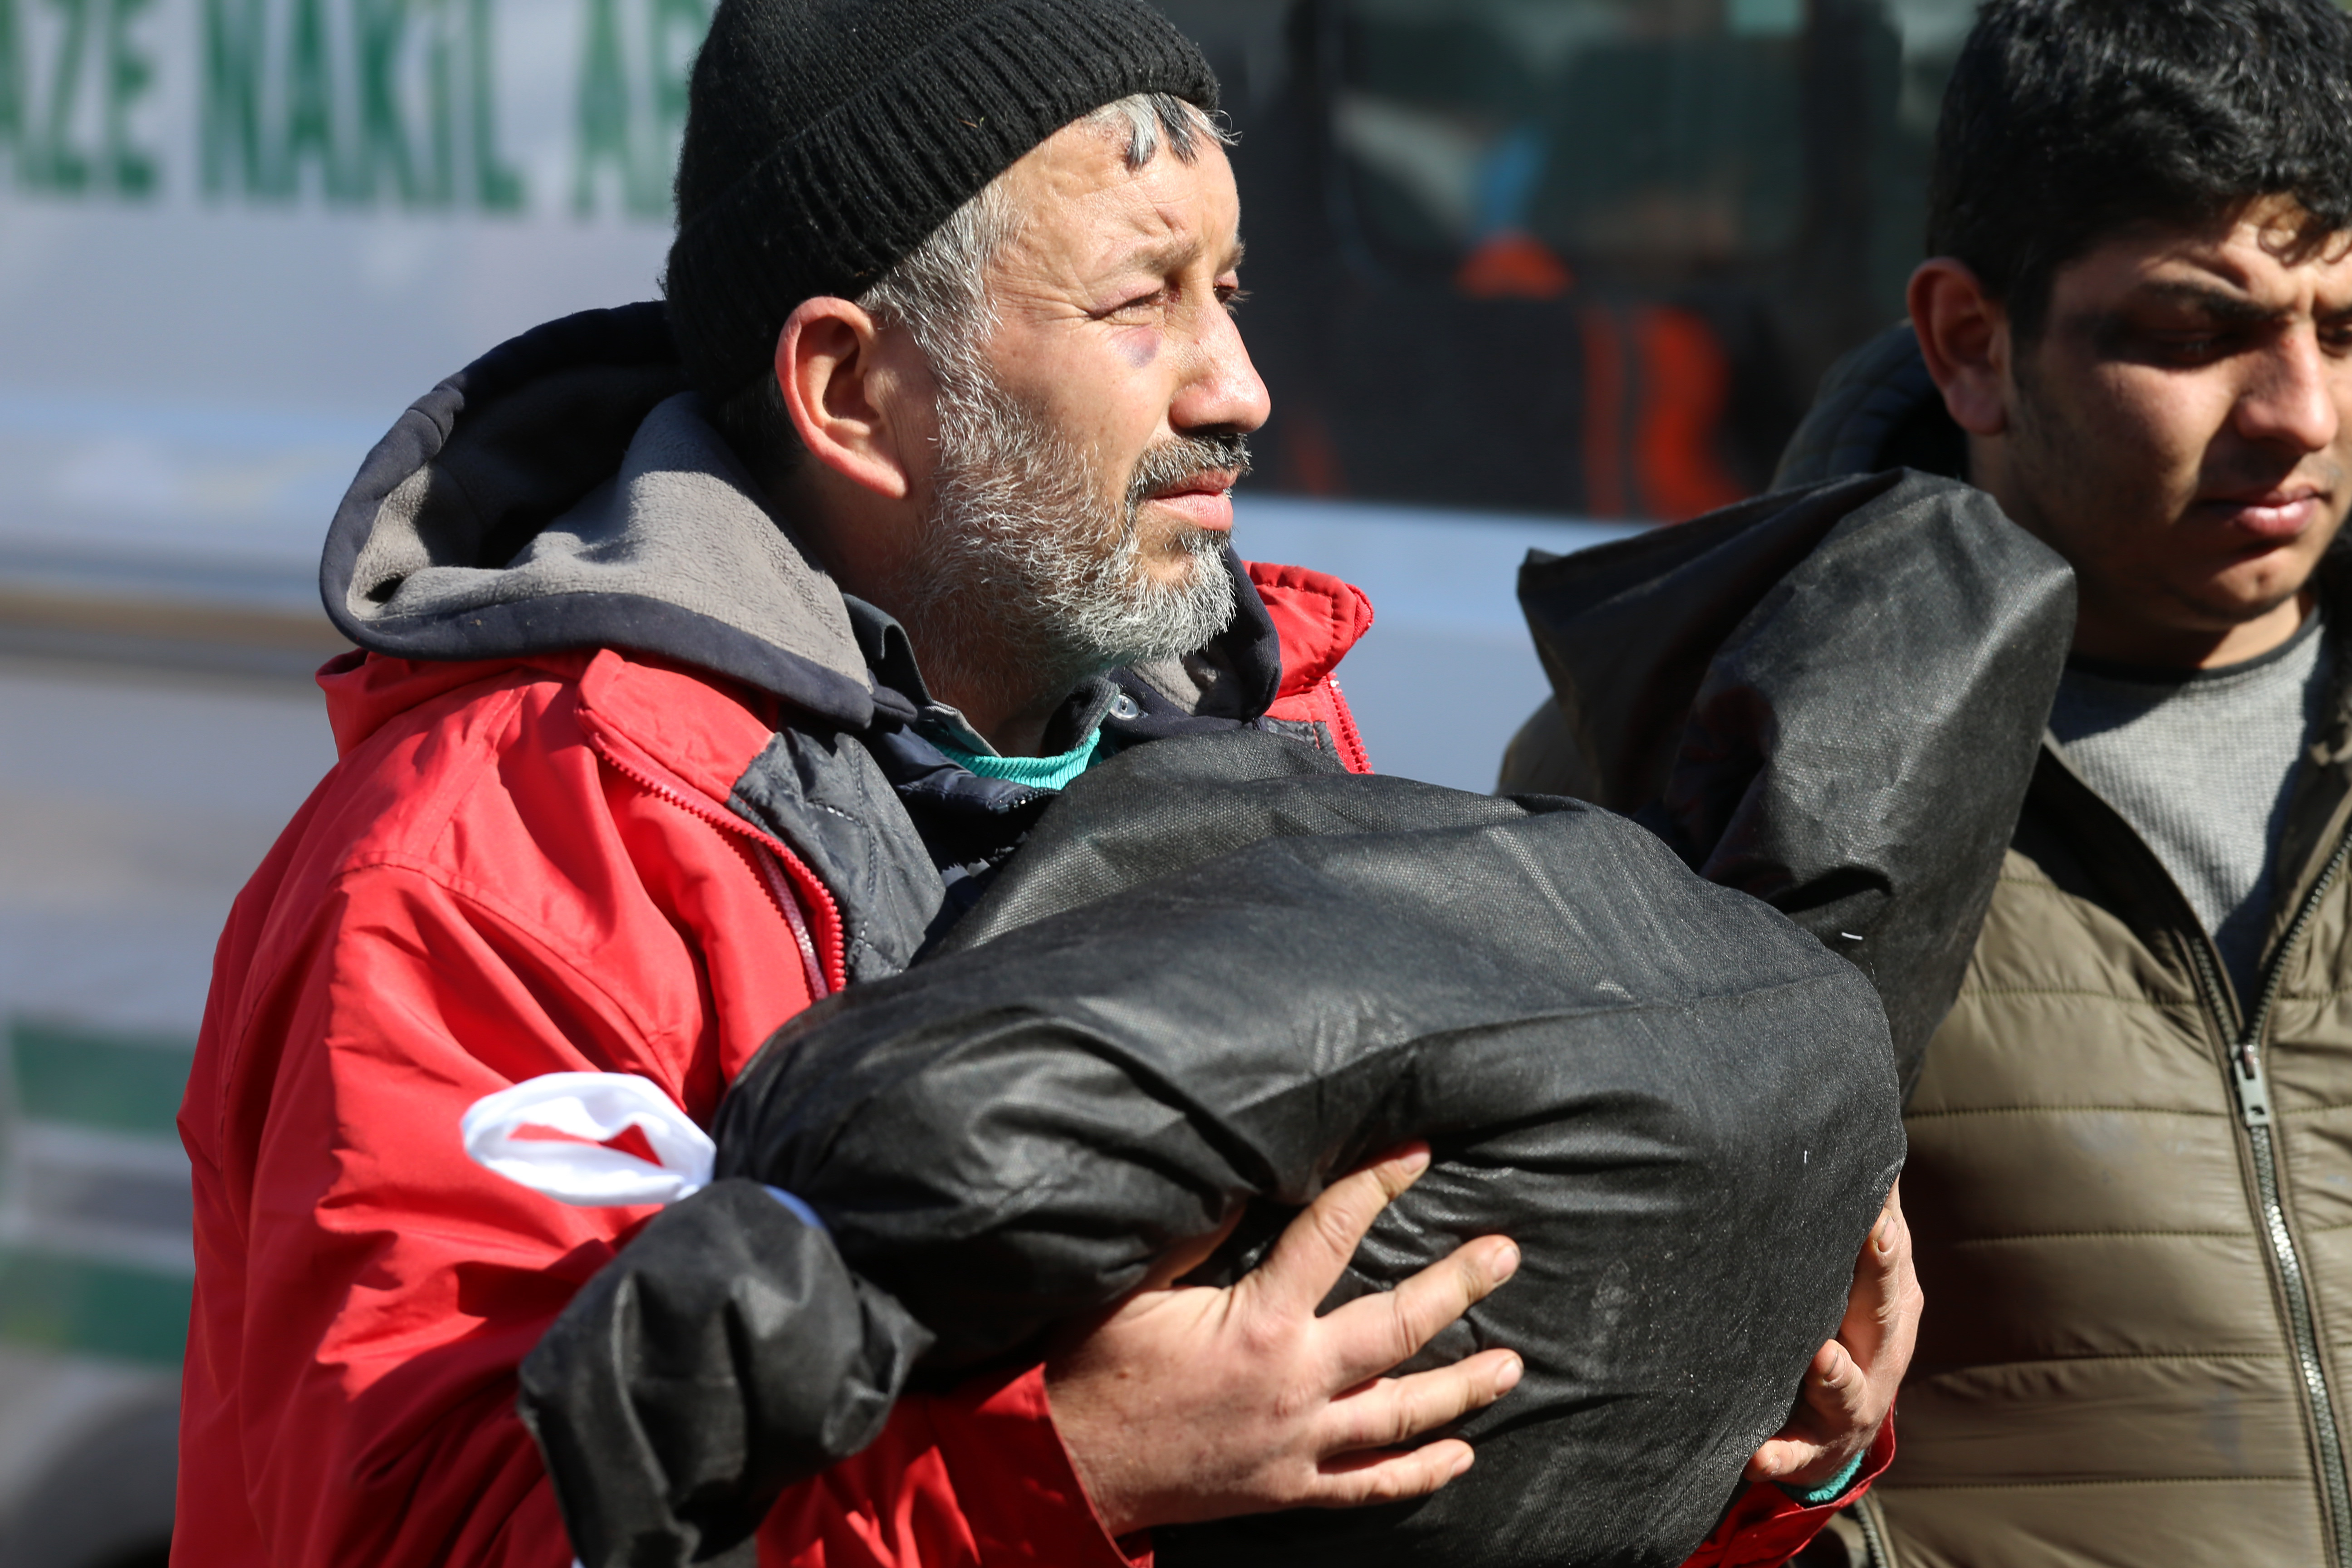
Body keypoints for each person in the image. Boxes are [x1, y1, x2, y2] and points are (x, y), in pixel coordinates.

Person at [175, 3, 1911, 1564]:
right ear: (854, 389)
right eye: (1138, 301)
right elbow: (445, 1529)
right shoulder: (493, 862)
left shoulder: (1261, 747)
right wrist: (1070, 1467)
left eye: (1229, 290)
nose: (1242, 389)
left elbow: (1392, 1426)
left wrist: (1747, 1443)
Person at [1532, 1, 2352, 1562]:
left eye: (2349, 327)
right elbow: (1591, 1421)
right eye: (2196, 333)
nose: (2298, 413)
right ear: (1970, 341)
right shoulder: (1718, 767)